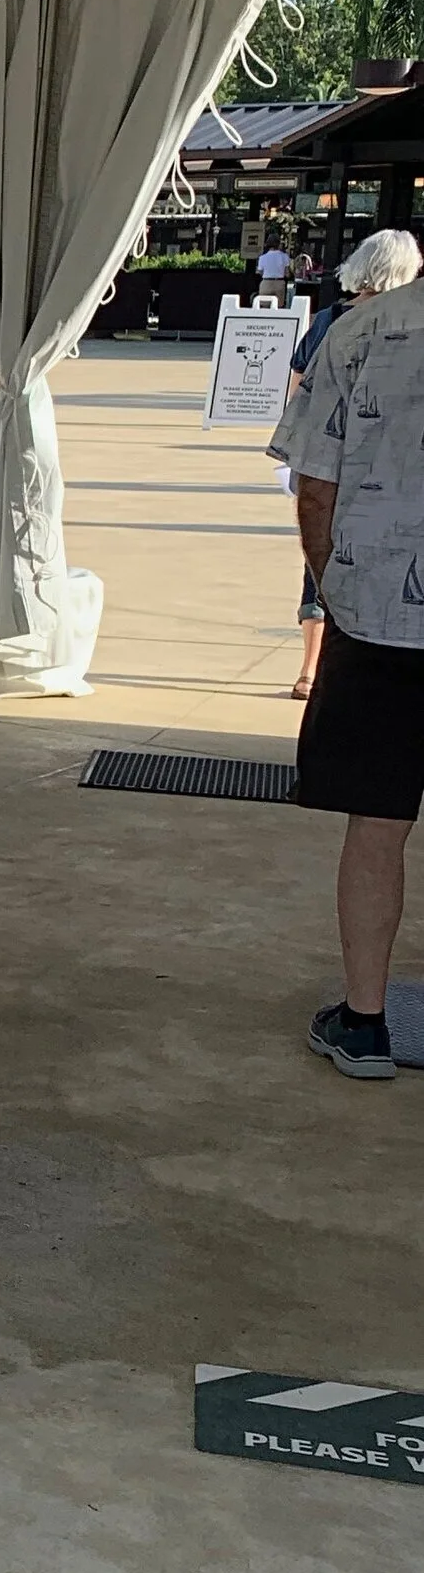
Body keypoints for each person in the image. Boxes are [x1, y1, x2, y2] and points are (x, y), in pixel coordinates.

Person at [269, 224, 424, 1079]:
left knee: (377, 821)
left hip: (377, 614)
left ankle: (363, 1022)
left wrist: (329, 580)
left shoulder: (359, 329)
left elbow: (313, 483)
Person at [279, 238, 401, 698]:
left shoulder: (328, 321)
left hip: (325, 459)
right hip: (385, 465)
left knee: (321, 560)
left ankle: (311, 669)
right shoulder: (405, 327)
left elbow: (297, 391)